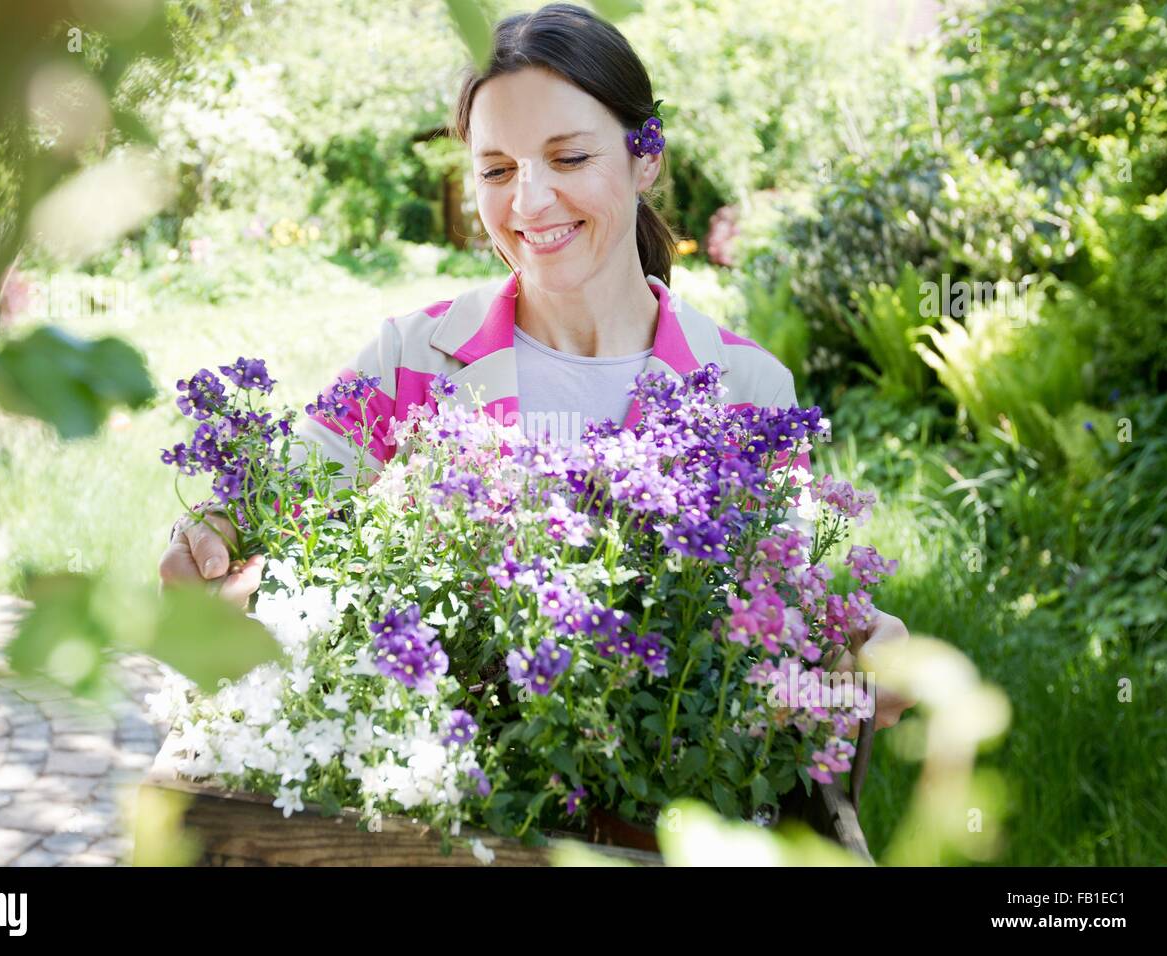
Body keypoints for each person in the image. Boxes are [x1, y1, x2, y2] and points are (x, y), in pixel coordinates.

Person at [158, 2, 914, 730]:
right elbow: (278, 500)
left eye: (569, 157)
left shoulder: (751, 392)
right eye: (496, 170)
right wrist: (212, 538)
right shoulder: (410, 359)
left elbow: (775, 616)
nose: (529, 200)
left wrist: (854, 645)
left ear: (645, 155)